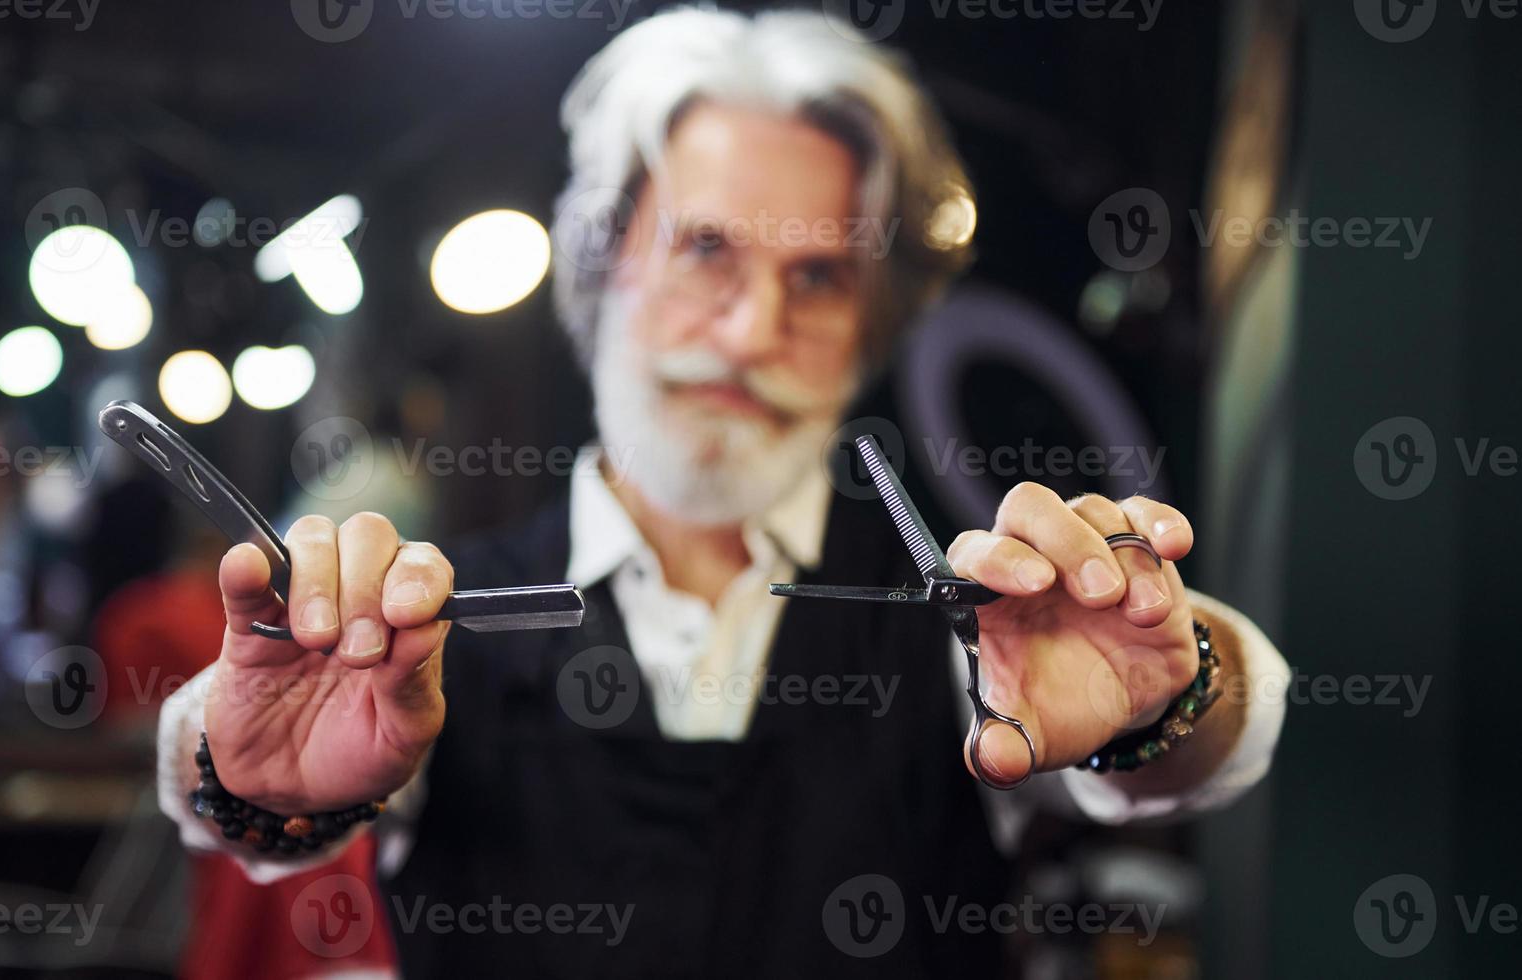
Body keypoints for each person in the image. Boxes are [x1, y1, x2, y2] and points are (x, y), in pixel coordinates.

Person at [155, 8, 1290, 976]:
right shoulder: (430, 633)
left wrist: (1169, 688)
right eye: (707, 250)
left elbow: (1201, 745)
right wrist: (244, 773)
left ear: (868, 325)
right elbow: (244, 796)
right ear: (607, 259)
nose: (755, 331)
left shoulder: (977, 626)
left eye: (819, 276)